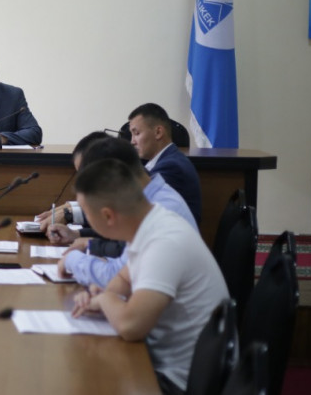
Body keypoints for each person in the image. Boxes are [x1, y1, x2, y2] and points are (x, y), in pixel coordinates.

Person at [70, 158, 227, 394]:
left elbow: (130, 325)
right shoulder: (152, 221)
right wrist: (100, 295)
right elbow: (124, 279)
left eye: (88, 215)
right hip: (165, 363)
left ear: (108, 216)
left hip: (177, 382)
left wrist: (104, 300)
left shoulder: (164, 243)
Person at [54, 137, 197, 288]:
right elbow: (122, 271)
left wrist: (72, 260)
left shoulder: (159, 210)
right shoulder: (149, 201)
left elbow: (116, 276)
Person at [127, 103, 201, 224]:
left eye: (137, 133)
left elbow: (139, 210)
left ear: (158, 132)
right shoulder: (168, 159)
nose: (132, 141)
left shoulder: (171, 167)